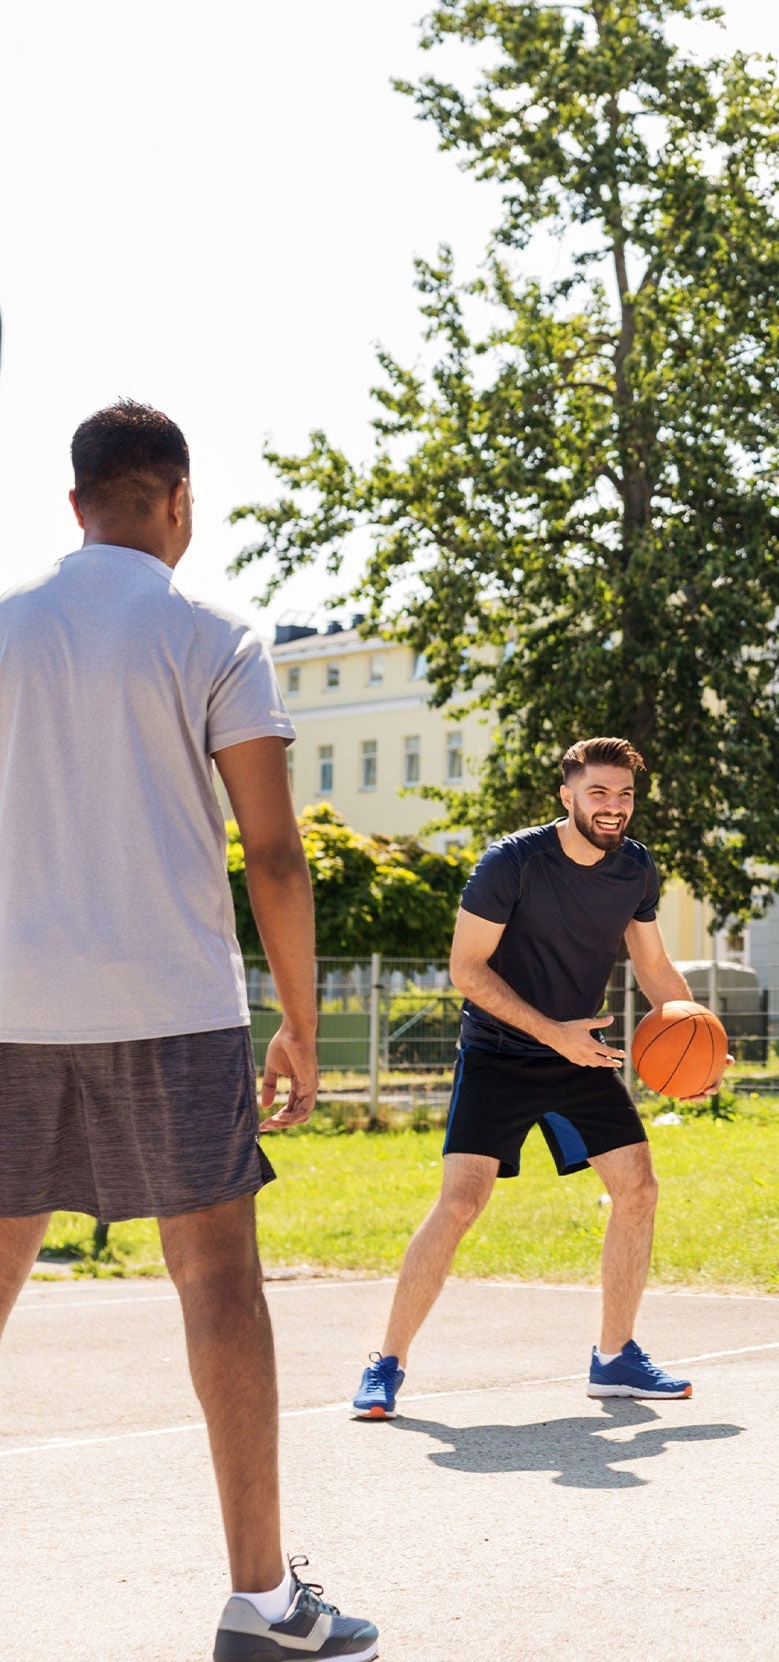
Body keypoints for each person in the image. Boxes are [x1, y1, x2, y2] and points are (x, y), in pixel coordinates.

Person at [0, 402, 378, 1661]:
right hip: (172, 1006)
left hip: (9, 1006)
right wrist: (302, 1027)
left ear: (75, 504)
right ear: (177, 500)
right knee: (217, 1279)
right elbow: (272, 849)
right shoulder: (217, 634)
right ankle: (262, 1604)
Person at [351, 736, 717, 1418]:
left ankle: (614, 1359)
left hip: (580, 1052)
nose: (613, 807)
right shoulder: (511, 863)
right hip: (500, 1050)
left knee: (637, 1189)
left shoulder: (634, 869)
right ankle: (387, 1362)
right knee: (462, 1201)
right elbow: (466, 970)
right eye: (599, 793)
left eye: (625, 795)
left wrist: (699, 1035)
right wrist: (554, 1035)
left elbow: (655, 968)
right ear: (568, 795)